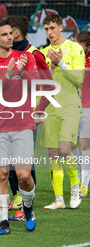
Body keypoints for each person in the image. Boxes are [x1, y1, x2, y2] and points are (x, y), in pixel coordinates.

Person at [0, 19, 38, 234]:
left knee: (24, 176)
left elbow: (35, 86)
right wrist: (9, 74)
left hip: (23, 124)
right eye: (4, 35)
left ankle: (29, 209)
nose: (10, 37)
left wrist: (22, 72)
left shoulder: (26, 57)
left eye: (11, 33)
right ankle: (4, 223)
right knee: (1, 175)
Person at [40, 13, 85, 210]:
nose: (49, 33)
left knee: (65, 149)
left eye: (52, 28)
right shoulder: (43, 53)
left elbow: (79, 79)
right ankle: (59, 199)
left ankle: (75, 189)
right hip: (51, 107)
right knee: (53, 153)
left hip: (71, 106)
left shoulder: (75, 48)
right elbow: (41, 83)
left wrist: (61, 64)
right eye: (46, 29)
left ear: (60, 27)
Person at [73, 30, 90, 197]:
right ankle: (77, 178)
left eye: (82, 47)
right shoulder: (72, 58)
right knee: (71, 146)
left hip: (88, 108)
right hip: (72, 107)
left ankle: (84, 184)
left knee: (85, 146)